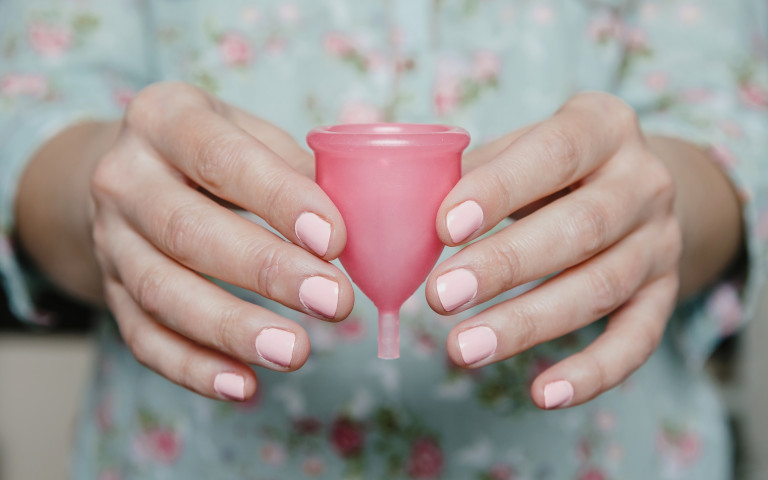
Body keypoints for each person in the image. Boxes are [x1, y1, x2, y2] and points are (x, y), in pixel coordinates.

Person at [1, 0, 766, 478]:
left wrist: (653, 201)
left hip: (613, 455)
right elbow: (35, 106)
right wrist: (112, 193)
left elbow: (720, 117)